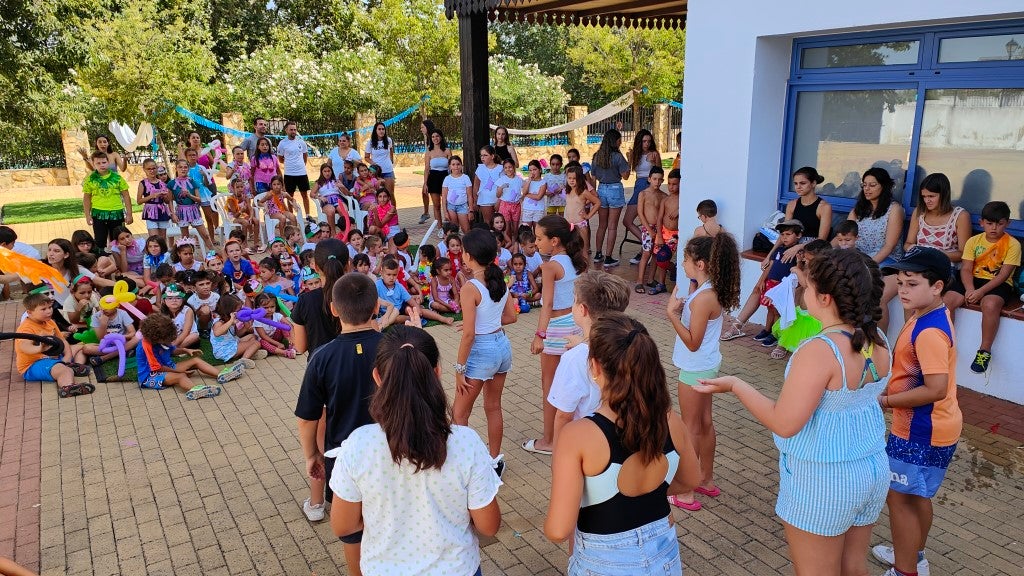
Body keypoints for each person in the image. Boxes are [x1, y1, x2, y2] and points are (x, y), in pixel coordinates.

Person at [694, 249, 892, 576]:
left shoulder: (819, 350)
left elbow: (784, 423)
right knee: (854, 567)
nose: (803, 291)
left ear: (825, 298)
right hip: (870, 469)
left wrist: (737, 386)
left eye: (808, 286)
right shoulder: (878, 339)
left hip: (824, 477)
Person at [329, 325, 502, 576]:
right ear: (437, 374)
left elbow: (343, 526)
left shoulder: (359, 445)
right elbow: (489, 526)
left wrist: (382, 518)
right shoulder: (466, 443)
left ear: (377, 377)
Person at [544, 313, 700, 576]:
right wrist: (647, 491)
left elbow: (558, 530)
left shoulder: (578, 435)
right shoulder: (670, 420)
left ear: (595, 367)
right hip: (664, 552)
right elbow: (690, 480)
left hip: (602, 560)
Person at [870, 247, 961, 576]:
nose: (902, 290)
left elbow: (935, 388)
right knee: (916, 497)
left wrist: (885, 402)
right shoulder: (927, 315)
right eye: (901, 282)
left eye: (912, 284)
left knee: (900, 500)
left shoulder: (929, 332)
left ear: (937, 287)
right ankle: (914, 556)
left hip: (920, 431)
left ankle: (905, 569)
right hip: (936, 428)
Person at [295, 272, 379, 571]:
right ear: (377, 307)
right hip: (392, 451)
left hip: (343, 457)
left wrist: (311, 456)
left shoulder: (322, 356)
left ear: (333, 308)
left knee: (352, 530)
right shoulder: (393, 347)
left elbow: (308, 417)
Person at [665, 232, 741, 511]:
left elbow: (693, 342)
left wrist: (672, 314)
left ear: (701, 264)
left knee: (691, 428)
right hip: (707, 364)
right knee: (705, 423)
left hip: (695, 367)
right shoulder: (708, 290)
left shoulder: (702, 299)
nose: (682, 264)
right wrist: (690, 282)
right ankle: (705, 480)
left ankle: (685, 490)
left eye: (685, 260)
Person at [452, 228, 518, 477]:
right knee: (493, 406)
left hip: (481, 351)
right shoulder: (498, 278)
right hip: (502, 346)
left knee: (459, 412)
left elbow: (468, 335)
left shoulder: (470, 287)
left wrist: (459, 369)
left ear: (468, 256)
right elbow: (510, 316)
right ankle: (495, 460)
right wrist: (484, 323)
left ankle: (463, 465)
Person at [523, 216, 587, 456]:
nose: (536, 242)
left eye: (540, 238)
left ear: (555, 241)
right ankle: (575, 432)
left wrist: (539, 335)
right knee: (574, 380)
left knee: (550, 385)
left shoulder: (549, 267)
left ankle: (549, 440)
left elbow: (546, 304)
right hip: (576, 324)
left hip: (556, 327)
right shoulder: (575, 261)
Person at [548, 270, 630, 443]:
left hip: (588, 443)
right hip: (624, 438)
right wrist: (583, 342)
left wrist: (558, 456)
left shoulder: (574, 359)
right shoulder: (632, 343)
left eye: (574, 299)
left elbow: (563, 415)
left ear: (582, 309)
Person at [945, 201, 1020, 373]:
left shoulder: (1013, 244)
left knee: (990, 304)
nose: (994, 228)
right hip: (972, 279)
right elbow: (965, 268)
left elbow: (1003, 275)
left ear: (1007, 223)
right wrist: (970, 289)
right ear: (981, 223)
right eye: (990, 223)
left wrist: (980, 292)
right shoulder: (973, 241)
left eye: (1000, 224)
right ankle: (945, 344)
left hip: (998, 283)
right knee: (947, 301)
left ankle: (984, 351)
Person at [721, 220, 803, 357]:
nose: (784, 237)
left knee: (779, 311)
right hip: (771, 283)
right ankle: (768, 330)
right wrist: (761, 281)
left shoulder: (798, 253)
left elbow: (799, 270)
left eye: (788, 234)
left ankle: (778, 336)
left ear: (799, 235)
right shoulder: (779, 249)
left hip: (785, 287)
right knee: (770, 308)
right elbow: (770, 265)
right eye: (782, 234)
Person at [841, 167, 905, 330]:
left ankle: (879, 344)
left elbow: (889, 246)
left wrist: (867, 264)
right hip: (859, 258)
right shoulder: (858, 210)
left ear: (883, 186)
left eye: (872, 185)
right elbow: (844, 234)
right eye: (864, 185)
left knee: (876, 297)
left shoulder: (894, 209)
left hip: (886, 261)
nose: (867, 189)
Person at [901, 173, 971, 316]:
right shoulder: (919, 212)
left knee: (939, 304)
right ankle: (910, 336)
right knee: (909, 297)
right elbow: (908, 243)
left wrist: (935, 255)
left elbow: (964, 253)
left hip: (946, 268)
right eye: (924, 197)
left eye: (931, 196)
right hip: (919, 265)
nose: (927, 201)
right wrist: (915, 250)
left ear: (943, 195)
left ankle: (938, 337)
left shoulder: (960, 216)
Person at [136, 314, 244, 399]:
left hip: (168, 366)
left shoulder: (162, 339)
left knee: (196, 360)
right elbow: (157, 368)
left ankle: (221, 375)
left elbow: (172, 351)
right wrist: (178, 372)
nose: (170, 342)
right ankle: (195, 390)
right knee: (181, 376)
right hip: (150, 376)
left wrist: (186, 350)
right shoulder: (145, 347)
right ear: (157, 338)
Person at [16, 292, 90, 395]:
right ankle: (68, 387)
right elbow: (24, 346)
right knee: (64, 370)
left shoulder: (49, 322)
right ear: (30, 312)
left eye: (50, 307)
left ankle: (75, 365)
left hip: (55, 357)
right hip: (33, 365)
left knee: (81, 348)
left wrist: (68, 356)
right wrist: (40, 349)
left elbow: (62, 341)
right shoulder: (26, 328)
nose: (49, 311)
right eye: (43, 309)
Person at [590, 129, 631, 268]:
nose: (621, 142)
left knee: (602, 225)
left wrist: (594, 193)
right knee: (612, 226)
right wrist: (629, 160)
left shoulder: (597, 156)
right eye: (620, 139)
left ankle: (598, 254)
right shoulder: (618, 156)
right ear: (615, 141)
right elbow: (625, 176)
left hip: (601, 189)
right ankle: (608, 257)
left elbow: (593, 176)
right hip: (615, 189)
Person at [624, 129, 661, 265]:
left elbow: (659, 172)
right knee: (627, 221)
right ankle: (647, 246)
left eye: (649, 141)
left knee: (647, 220)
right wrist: (629, 160)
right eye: (644, 141)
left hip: (648, 185)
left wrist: (655, 161)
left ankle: (645, 250)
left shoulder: (654, 154)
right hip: (638, 184)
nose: (646, 144)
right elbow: (626, 175)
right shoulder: (635, 154)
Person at [82, 151, 133, 245]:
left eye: (104, 162)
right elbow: (86, 198)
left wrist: (129, 214)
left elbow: (126, 196)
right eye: (98, 163)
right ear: (93, 164)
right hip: (98, 214)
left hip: (116, 213)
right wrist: (87, 215)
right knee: (100, 241)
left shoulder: (117, 178)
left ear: (108, 162)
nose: (102, 165)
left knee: (118, 241)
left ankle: (119, 259)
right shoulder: (90, 179)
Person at [169, 159, 216, 250]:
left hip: (193, 211)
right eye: (180, 167)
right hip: (181, 212)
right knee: (185, 238)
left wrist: (189, 195)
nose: (183, 169)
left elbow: (199, 200)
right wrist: (173, 214)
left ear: (188, 169)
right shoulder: (172, 183)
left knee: (205, 235)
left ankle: (213, 254)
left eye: (185, 167)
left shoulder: (193, 182)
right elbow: (170, 200)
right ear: (176, 168)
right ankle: (188, 258)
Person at [634, 166, 666, 294]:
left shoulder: (664, 196)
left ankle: (651, 279)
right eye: (654, 179)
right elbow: (640, 213)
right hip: (648, 228)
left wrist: (658, 231)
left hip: (659, 229)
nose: (657, 182)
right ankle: (639, 281)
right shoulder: (643, 194)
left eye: (659, 180)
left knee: (655, 254)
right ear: (649, 179)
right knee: (646, 253)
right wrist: (649, 229)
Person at [210, 294, 267, 363]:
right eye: (238, 310)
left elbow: (237, 334)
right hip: (224, 350)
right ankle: (242, 361)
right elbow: (217, 333)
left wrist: (245, 327)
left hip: (233, 342)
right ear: (229, 311)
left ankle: (249, 354)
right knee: (256, 343)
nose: (240, 311)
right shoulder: (219, 322)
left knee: (253, 336)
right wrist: (231, 321)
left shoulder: (231, 320)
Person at [650, 168, 681, 295]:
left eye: (674, 184)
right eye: (669, 184)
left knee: (663, 257)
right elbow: (659, 219)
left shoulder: (683, 200)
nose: (671, 187)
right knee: (659, 259)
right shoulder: (665, 200)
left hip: (675, 235)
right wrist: (659, 235)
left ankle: (672, 269)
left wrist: (679, 210)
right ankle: (662, 283)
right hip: (663, 233)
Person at [562, 164, 600, 256]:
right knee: (567, 249)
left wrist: (588, 215)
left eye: (574, 178)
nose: (571, 180)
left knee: (584, 250)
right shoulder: (567, 191)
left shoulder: (583, 192)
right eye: (569, 178)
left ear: (579, 179)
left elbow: (597, 202)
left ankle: (585, 270)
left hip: (580, 224)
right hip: (568, 224)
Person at [277, 121, 312, 215]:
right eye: (291, 130)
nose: (293, 131)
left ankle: (308, 215)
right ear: (286, 130)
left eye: (295, 129)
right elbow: (280, 159)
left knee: (304, 195)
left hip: (302, 173)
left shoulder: (301, 142)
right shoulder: (282, 143)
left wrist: (300, 165)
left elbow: (305, 156)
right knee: (289, 195)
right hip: (289, 173)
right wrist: (290, 163)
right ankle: (291, 215)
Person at [137, 158, 175, 240]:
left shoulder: (162, 183)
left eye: (154, 168)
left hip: (161, 211)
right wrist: (152, 196)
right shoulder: (143, 183)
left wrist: (165, 196)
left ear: (157, 168)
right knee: (154, 239)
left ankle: (163, 252)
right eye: (149, 169)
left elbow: (167, 201)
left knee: (162, 239)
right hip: (150, 212)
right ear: (144, 170)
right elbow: (139, 201)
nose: (152, 171)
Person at [0, 226, 41, 300]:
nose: (13, 246)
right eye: (12, 244)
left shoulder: (4, 252)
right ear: (3, 245)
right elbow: (4, 278)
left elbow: (6, 277)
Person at [423, 129, 452, 226]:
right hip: (433, 179)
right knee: (437, 205)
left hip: (445, 178)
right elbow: (427, 169)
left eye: (437, 136)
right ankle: (439, 227)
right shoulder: (429, 152)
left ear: (441, 137)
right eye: (433, 137)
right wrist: (425, 183)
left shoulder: (447, 151)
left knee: (448, 203)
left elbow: (451, 167)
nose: (435, 138)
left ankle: (450, 225)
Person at [473, 145, 504, 225]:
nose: (482, 158)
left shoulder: (501, 168)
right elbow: (476, 185)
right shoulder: (480, 168)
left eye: (485, 155)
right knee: (488, 222)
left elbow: (504, 186)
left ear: (492, 156)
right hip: (485, 199)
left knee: (501, 222)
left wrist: (499, 200)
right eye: (481, 155)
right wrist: (475, 201)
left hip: (498, 199)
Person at [442, 156, 473, 233]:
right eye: (453, 164)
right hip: (451, 206)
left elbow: (469, 196)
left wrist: (471, 210)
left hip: (462, 206)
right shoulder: (447, 179)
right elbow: (444, 197)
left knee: (466, 229)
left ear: (461, 165)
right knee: (454, 229)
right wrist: (445, 212)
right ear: (450, 166)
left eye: (458, 164)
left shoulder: (465, 178)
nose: (456, 166)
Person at [364, 122, 396, 195]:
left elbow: (391, 150)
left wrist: (391, 161)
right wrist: (374, 164)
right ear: (375, 130)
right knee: (378, 194)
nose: (381, 131)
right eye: (379, 129)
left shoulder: (388, 140)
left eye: (383, 129)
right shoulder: (370, 142)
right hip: (376, 173)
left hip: (388, 171)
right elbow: (366, 157)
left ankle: (393, 207)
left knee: (390, 194)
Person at [520, 160, 548, 230]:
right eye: (530, 170)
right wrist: (529, 181)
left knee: (537, 231)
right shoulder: (527, 181)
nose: (532, 172)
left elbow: (538, 197)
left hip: (538, 210)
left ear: (540, 170)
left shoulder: (543, 182)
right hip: (527, 209)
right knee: (526, 230)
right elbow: (524, 192)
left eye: (535, 169)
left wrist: (527, 195)